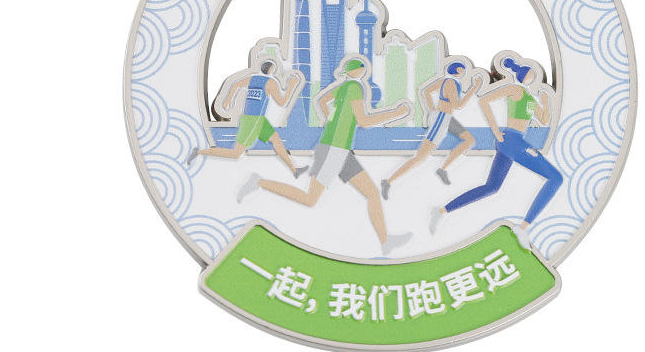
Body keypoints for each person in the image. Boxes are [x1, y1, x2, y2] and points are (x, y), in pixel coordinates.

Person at [237, 57, 414, 256]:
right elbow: (364, 121)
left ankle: (385, 241)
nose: (363, 69)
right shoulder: (354, 87)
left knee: (372, 193)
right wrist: (396, 113)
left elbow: (321, 100)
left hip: (340, 150)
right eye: (361, 67)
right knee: (310, 199)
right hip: (333, 150)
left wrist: (329, 121)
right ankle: (259, 182)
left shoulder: (343, 86)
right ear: (355, 71)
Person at [429, 55, 562, 250]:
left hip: (513, 142)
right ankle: (523, 227)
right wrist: (495, 131)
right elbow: (485, 101)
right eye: (529, 74)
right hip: (512, 140)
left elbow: (543, 119)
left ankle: (442, 211)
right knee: (556, 178)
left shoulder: (529, 97)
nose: (532, 77)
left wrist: (545, 102)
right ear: (523, 75)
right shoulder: (515, 90)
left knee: (492, 187)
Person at [187, 59, 307, 178]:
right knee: (235, 154)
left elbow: (236, 85)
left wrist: (228, 100)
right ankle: (198, 152)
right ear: (272, 70)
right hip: (253, 122)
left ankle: (294, 170)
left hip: (258, 121)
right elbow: (282, 102)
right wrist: (291, 86)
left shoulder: (252, 79)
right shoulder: (271, 83)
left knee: (276, 140)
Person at [381, 60, 482, 198]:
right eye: (462, 69)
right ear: (458, 70)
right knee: (420, 157)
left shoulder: (447, 81)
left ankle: (442, 169)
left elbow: (427, 91)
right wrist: (474, 88)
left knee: (469, 140)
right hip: (441, 119)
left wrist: (431, 110)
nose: (464, 72)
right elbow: (458, 105)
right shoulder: (450, 82)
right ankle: (388, 181)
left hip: (445, 118)